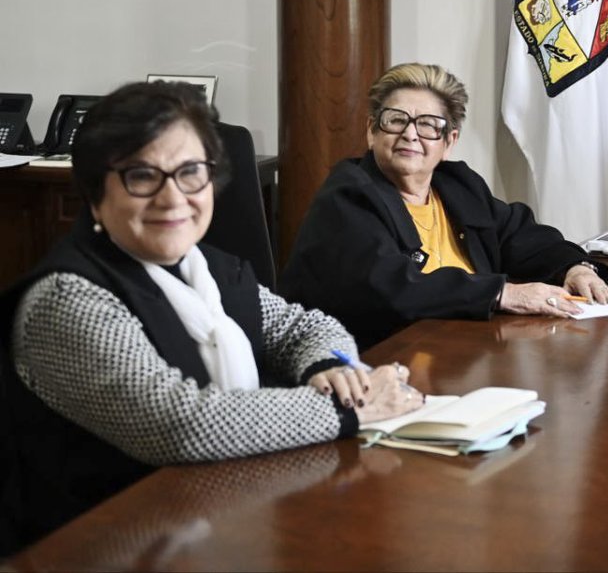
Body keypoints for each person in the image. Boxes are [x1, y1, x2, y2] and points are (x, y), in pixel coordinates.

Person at [1, 82, 425, 548]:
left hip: (223, 519)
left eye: (190, 173)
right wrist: (353, 408)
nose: (172, 197)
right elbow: (178, 424)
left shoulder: (205, 267)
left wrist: (330, 365)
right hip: (106, 547)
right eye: (142, 176)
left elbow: (302, 327)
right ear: (95, 193)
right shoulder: (68, 298)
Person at [280, 62, 608, 348]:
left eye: (427, 125)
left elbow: (520, 234)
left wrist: (574, 267)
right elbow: (390, 288)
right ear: (372, 131)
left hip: (461, 355)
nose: (411, 134)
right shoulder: (347, 196)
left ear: (448, 141)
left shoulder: (457, 186)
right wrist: (505, 293)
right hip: (370, 365)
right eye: (397, 120)